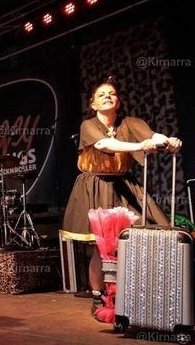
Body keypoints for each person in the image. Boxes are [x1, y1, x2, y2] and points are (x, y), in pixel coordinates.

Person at [62, 77, 182, 318]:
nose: (107, 96)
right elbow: (105, 145)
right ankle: (99, 296)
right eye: (101, 94)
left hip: (124, 183)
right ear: (93, 104)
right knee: (102, 246)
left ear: (118, 102)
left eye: (112, 94)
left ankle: (138, 294)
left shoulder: (130, 123)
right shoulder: (88, 125)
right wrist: (139, 146)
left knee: (144, 232)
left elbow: (153, 136)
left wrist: (168, 141)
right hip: (95, 185)